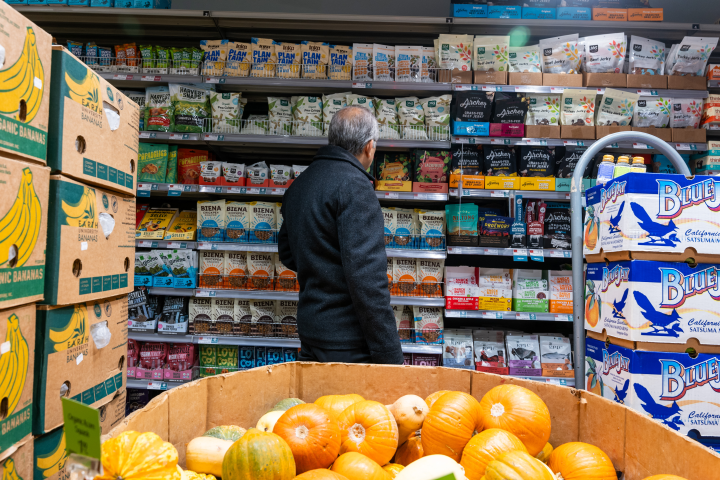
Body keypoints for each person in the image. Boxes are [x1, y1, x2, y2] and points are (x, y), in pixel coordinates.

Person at [278, 106, 404, 365]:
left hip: (311, 331)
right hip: (349, 342)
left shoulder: (301, 184)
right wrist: (389, 355)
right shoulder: (355, 187)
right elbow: (367, 280)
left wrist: (321, 265)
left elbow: (288, 253)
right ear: (370, 147)